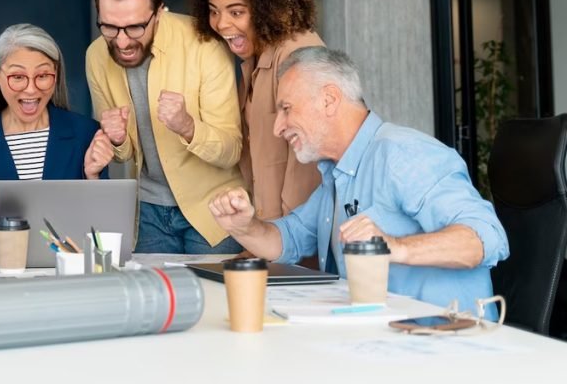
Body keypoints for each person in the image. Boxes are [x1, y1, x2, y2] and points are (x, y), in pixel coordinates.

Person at [208, 47, 509, 317]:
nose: (277, 127)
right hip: (378, 340)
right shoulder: (335, 174)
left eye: (286, 109)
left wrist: (392, 247)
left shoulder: (403, 154)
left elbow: (486, 238)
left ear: (328, 100)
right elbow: (288, 239)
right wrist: (245, 227)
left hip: (443, 346)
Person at [85, 0, 245, 254]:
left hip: (213, 209)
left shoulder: (205, 45)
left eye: (134, 28)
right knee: (155, 299)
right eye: (109, 27)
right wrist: (117, 140)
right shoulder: (96, 56)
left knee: (214, 299)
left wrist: (188, 126)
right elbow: (124, 154)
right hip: (148, 212)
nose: (121, 42)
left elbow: (231, 150)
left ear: (158, 13)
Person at [0, 24, 114, 254]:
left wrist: (93, 177)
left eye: (43, 76)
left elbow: (102, 241)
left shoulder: (85, 134)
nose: (31, 90)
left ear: (55, 75)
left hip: (66, 278)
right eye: (18, 77)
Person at [191, 0, 324, 221]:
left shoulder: (297, 53)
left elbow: (309, 164)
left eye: (236, 12)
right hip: (269, 234)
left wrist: (286, 239)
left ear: (267, 7)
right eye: (214, 11)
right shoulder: (253, 59)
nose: (222, 24)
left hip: (295, 237)